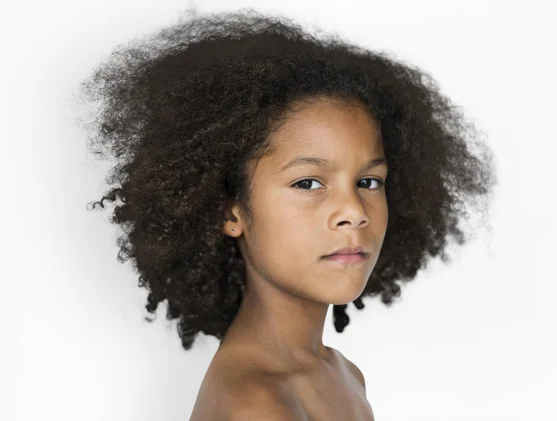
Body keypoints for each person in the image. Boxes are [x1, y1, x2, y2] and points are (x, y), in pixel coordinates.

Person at [77, 7, 497, 420]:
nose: (353, 211)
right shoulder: (257, 405)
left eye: (369, 182)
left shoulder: (343, 375)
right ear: (230, 209)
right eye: (308, 183)